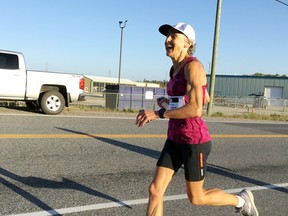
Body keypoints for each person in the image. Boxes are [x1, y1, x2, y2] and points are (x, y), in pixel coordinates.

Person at [135, 22, 258, 216]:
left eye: (173, 36)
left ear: (187, 43)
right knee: (155, 190)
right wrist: (169, 102)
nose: (167, 39)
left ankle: (241, 200)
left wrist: (158, 113)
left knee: (197, 197)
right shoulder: (174, 69)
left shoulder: (194, 66)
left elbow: (195, 109)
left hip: (194, 141)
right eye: (167, 36)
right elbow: (205, 96)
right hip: (175, 138)